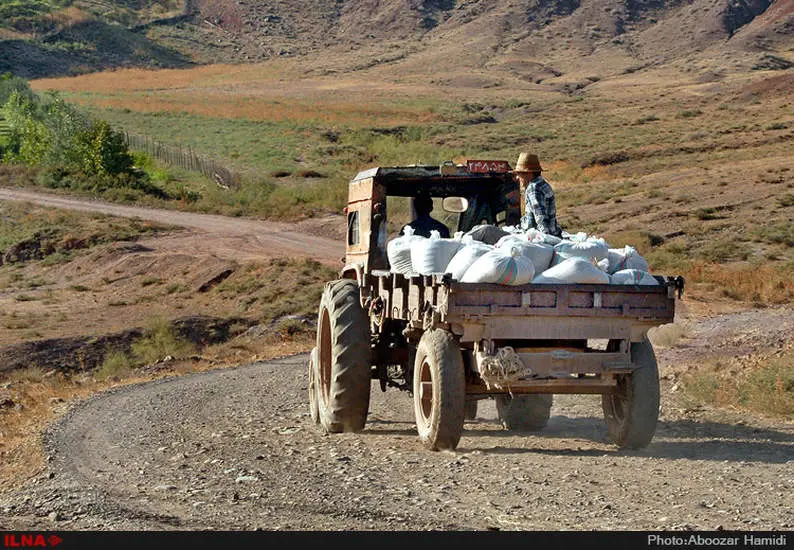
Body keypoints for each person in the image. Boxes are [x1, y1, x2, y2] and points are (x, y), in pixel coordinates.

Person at [513, 152, 562, 237]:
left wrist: (545, 238)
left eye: (519, 174)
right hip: (552, 231)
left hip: (537, 236)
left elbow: (540, 216)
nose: (518, 178)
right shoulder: (543, 184)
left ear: (528, 173)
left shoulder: (533, 188)